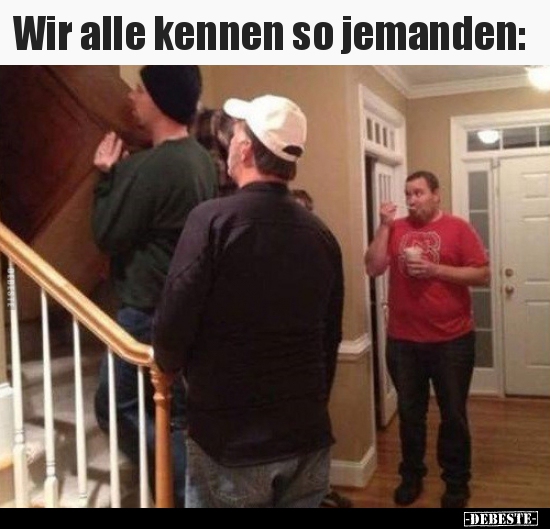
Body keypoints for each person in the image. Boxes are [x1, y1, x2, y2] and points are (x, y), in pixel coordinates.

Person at [153, 94, 344, 508]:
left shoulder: (212, 220)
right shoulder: (322, 235)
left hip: (232, 442)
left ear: (243, 149)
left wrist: (168, 366)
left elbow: (172, 326)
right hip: (307, 434)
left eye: (236, 134)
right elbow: (329, 339)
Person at [91, 65, 218, 508]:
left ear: (160, 100)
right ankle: (180, 492)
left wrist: (107, 178)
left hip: (144, 311)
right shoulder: (201, 160)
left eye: (141, 90)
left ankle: (180, 491)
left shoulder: (152, 166)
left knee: (115, 407)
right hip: (183, 308)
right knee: (175, 415)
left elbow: (107, 234)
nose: (132, 97)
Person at [364, 170, 490, 509]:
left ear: (436, 195)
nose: (411, 200)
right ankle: (411, 476)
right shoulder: (396, 228)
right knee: (410, 414)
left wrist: (436, 270)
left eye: (418, 193)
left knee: (453, 415)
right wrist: (384, 227)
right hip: (403, 342)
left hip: (452, 341)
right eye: (408, 194)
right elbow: (373, 267)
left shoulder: (458, 228)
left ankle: (456, 482)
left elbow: (482, 274)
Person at [290, 187, 353, 510]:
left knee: (316, 427)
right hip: (282, 364)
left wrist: (330, 352)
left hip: (318, 355)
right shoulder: (268, 256)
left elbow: (333, 309)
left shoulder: (324, 248)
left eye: (305, 210)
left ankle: (320, 490)